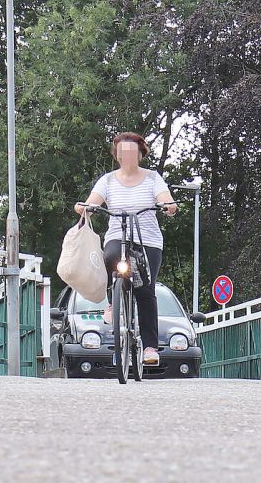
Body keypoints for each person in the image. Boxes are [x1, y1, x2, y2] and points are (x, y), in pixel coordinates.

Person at [74, 132, 177, 365]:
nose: (127, 157)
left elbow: (165, 197)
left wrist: (168, 205)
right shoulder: (108, 180)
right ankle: (114, 300)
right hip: (117, 236)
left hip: (148, 240)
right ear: (117, 155)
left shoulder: (152, 178)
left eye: (132, 152)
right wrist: (86, 207)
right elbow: (94, 200)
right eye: (122, 153)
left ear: (140, 154)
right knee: (110, 257)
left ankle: (150, 347)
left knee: (146, 290)